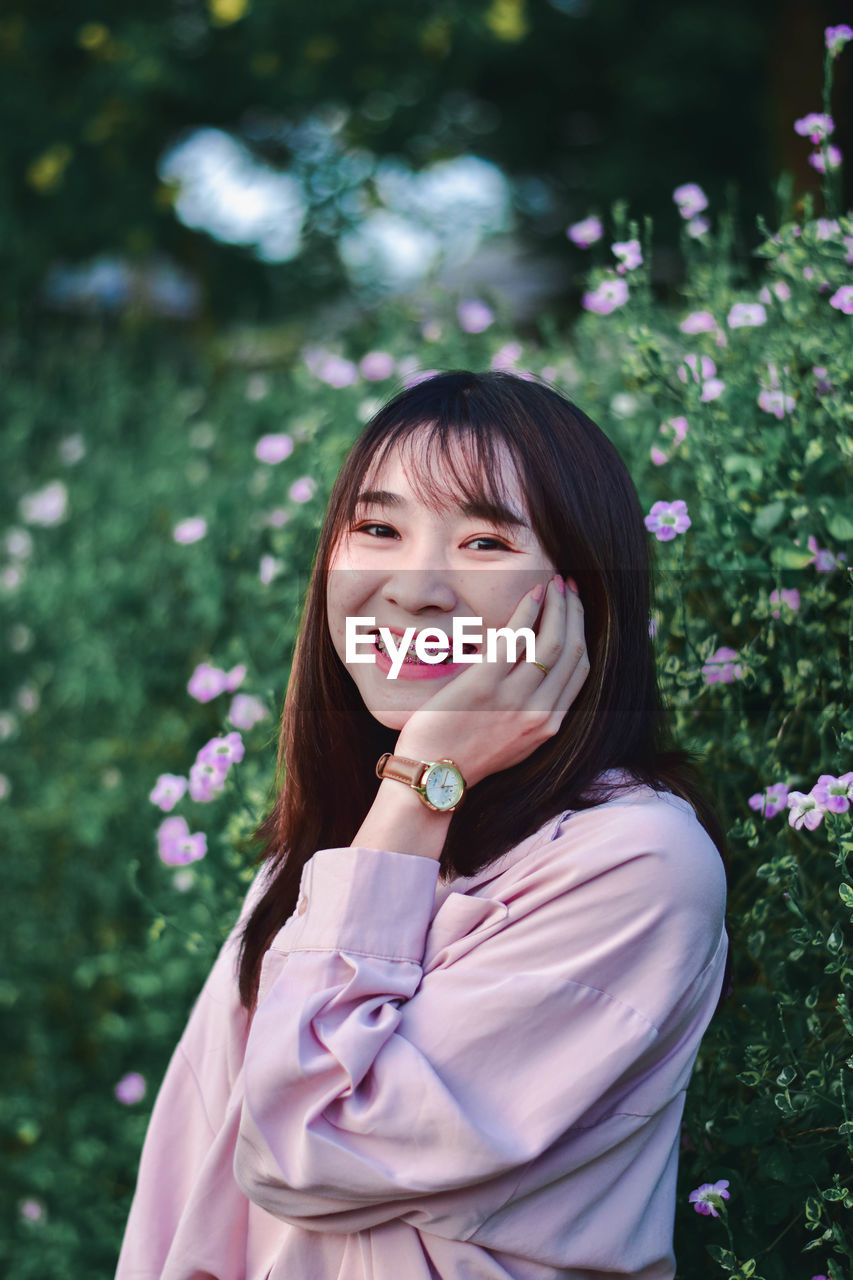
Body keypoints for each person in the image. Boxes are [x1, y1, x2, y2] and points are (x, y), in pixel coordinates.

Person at [115, 369, 728, 1280]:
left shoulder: (637, 864)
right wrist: (408, 802)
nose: (414, 589)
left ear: (581, 594)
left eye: (484, 541)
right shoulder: (326, 857)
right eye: (377, 529)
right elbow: (185, 1197)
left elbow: (302, 1147)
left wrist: (418, 786)